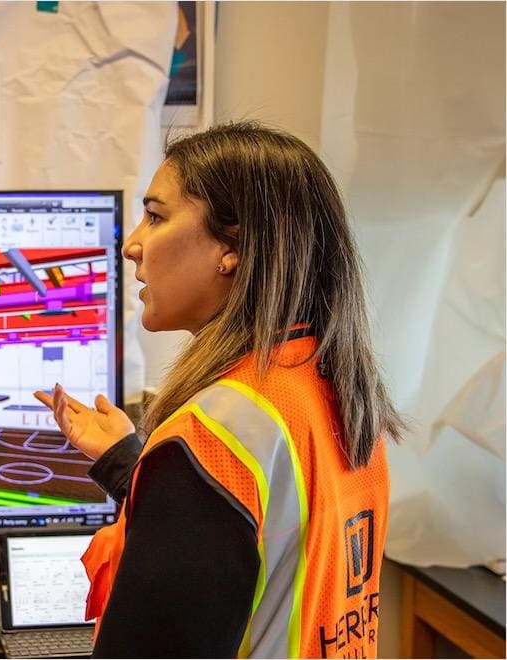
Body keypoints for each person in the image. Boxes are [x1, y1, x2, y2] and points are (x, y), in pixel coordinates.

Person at [35, 122, 405, 658]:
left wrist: (174, 471)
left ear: (234, 246)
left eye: (156, 216)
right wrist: (130, 465)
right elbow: (256, 541)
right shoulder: (335, 387)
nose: (132, 244)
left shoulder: (213, 437)